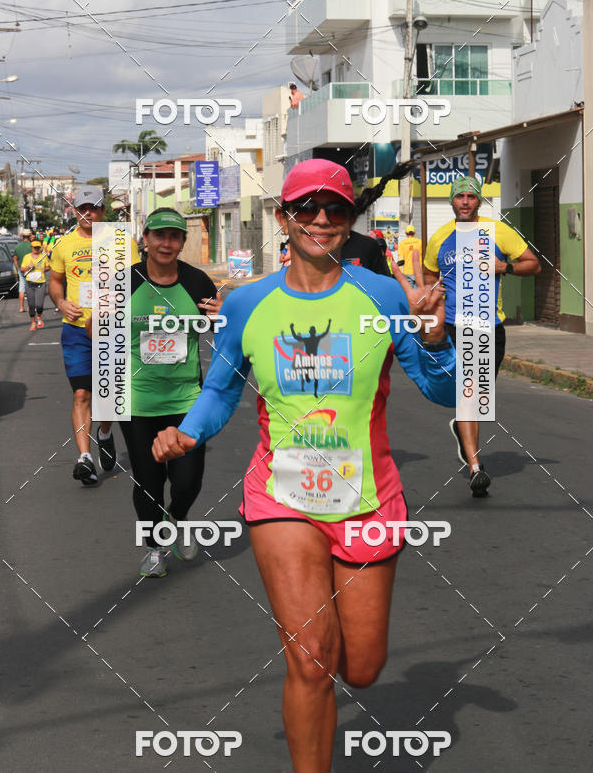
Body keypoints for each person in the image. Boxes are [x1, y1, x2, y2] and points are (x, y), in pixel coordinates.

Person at [151, 158, 454, 772]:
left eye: (335, 208)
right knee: (311, 658)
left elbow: (443, 391)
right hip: (280, 497)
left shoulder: (382, 294)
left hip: (368, 500)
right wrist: (187, 432)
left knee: (361, 667)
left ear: (350, 218)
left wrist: (433, 339)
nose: (321, 219)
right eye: (306, 208)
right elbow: (220, 389)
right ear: (283, 216)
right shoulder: (247, 303)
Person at [114, 207, 221, 577]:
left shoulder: (198, 282)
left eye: (174, 236)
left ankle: (177, 519)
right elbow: (99, 337)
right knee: (149, 482)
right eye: (159, 235)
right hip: (138, 402)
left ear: (182, 242)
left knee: (188, 480)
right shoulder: (124, 282)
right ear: (145, 239)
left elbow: (222, 332)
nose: (166, 243)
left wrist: (221, 318)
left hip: (187, 400)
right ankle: (155, 547)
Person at [424, 175, 541, 496]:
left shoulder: (498, 231)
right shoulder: (440, 237)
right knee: (469, 393)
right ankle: (476, 467)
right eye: (459, 196)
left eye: (471, 196)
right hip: (454, 326)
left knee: (478, 396)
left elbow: (534, 264)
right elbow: (430, 274)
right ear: (451, 200)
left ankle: (464, 433)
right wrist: (434, 297)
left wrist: (504, 268)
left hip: (489, 327)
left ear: (478, 201)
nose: (465, 201)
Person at [48, 186, 140, 487]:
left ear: (103, 211)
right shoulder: (63, 244)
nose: (88, 213)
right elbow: (55, 281)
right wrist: (61, 302)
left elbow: (137, 281)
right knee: (81, 394)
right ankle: (85, 458)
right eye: (83, 208)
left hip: (112, 328)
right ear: (75, 210)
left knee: (109, 395)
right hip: (75, 329)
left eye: (94, 208)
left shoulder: (121, 242)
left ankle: (105, 431)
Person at [21, 239, 51, 330]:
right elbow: (22, 269)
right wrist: (28, 267)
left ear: (40, 248)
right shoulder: (26, 257)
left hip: (41, 283)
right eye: (35, 247)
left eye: (38, 247)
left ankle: (39, 316)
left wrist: (45, 269)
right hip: (29, 283)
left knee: (39, 305)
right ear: (31, 248)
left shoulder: (43, 256)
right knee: (31, 305)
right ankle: (33, 322)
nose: (36, 249)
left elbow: (48, 267)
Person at [12, 230, 32, 313]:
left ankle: (21, 307)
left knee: (22, 288)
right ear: (30, 236)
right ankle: (30, 307)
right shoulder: (32, 245)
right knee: (30, 288)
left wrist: (17, 268)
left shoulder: (17, 246)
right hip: (31, 270)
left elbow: (15, 259)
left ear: (22, 236)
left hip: (21, 269)